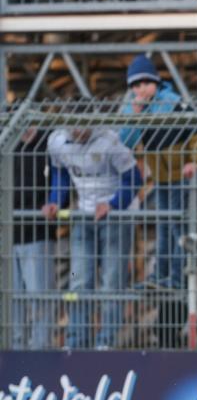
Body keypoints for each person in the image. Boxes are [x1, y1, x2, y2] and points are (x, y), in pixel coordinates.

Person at [42, 127, 143, 349]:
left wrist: (113, 204)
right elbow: (61, 174)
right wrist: (55, 200)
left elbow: (135, 179)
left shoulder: (111, 141)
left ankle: (106, 342)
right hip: (83, 216)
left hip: (116, 218)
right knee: (78, 279)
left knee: (111, 281)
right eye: (75, 127)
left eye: (84, 127)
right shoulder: (56, 141)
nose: (80, 131)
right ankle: (76, 340)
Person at [120, 55, 197, 291]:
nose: (141, 89)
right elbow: (125, 141)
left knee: (176, 227)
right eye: (136, 85)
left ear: (156, 82)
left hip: (180, 176)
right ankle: (160, 275)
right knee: (163, 226)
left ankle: (176, 277)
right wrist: (135, 115)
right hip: (161, 176)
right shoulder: (135, 108)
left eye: (146, 83)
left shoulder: (173, 102)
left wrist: (195, 161)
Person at [12, 128, 56, 350]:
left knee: (40, 296)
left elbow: (60, 183)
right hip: (8, 236)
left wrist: (56, 203)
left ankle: (41, 348)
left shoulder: (49, 145)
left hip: (38, 234)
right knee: (11, 299)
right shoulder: (8, 145)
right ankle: (13, 349)